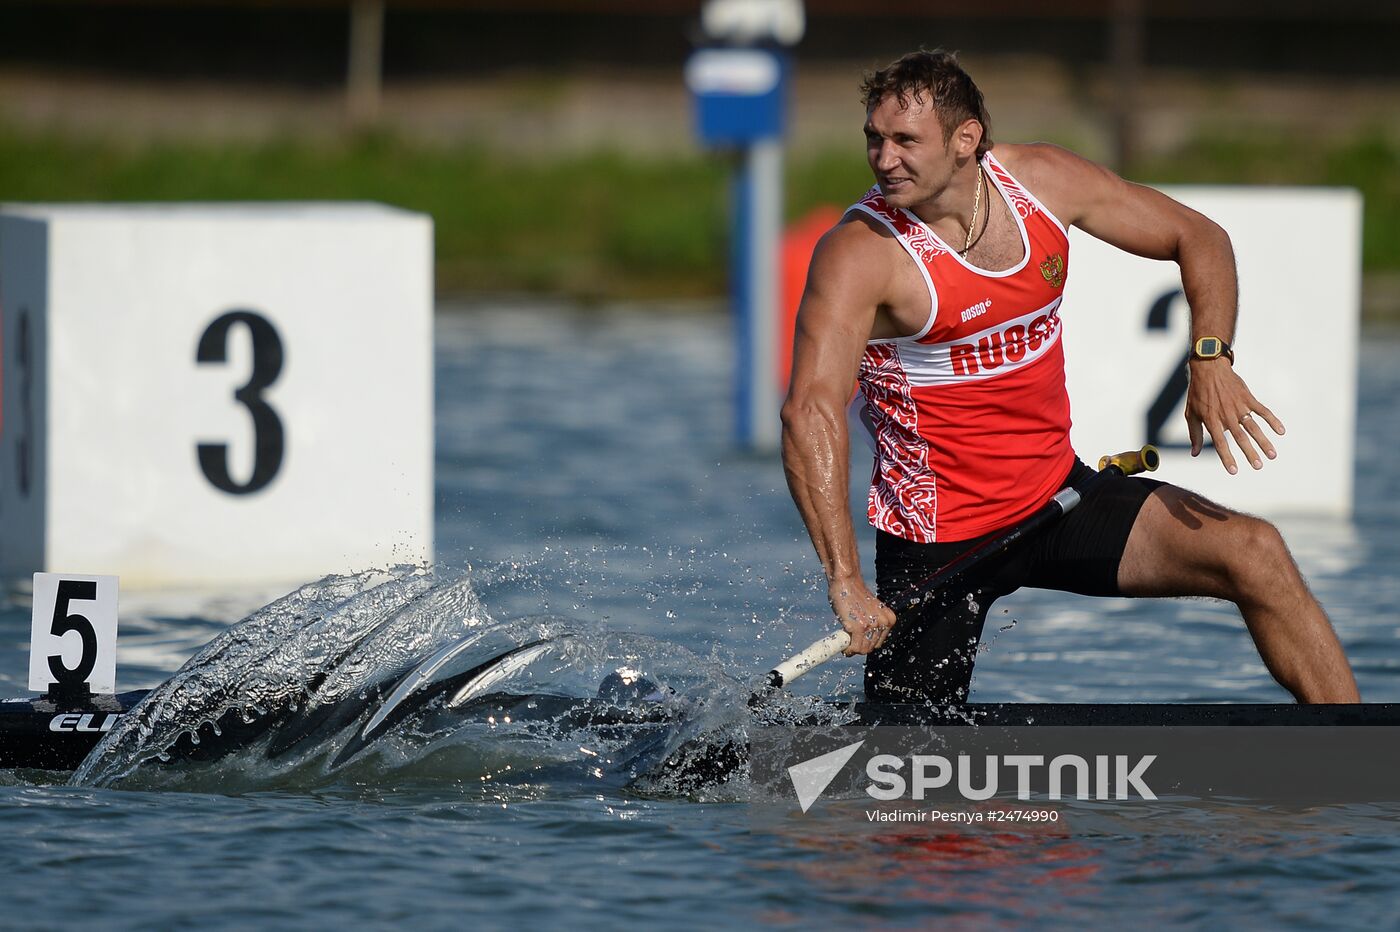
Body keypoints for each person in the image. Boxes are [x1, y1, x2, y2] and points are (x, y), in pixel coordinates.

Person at [780, 49, 1359, 705]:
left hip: (1057, 502)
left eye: (905, 140)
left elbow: (1199, 237)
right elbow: (810, 413)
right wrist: (845, 580)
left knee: (1256, 553)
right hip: (938, 543)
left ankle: (1355, 753)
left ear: (966, 139)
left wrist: (1209, 355)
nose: (884, 159)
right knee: (906, 780)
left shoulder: (1043, 182)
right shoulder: (860, 255)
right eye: (874, 139)